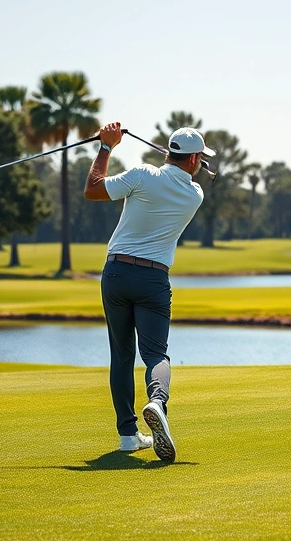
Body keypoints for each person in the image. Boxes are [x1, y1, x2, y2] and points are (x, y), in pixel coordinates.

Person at [83, 121, 213, 463]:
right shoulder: (194, 194)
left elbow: (93, 189)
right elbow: (179, 173)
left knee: (121, 355)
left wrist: (107, 145)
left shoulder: (141, 175)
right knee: (156, 354)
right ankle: (157, 401)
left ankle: (128, 435)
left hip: (116, 272)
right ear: (195, 159)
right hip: (154, 280)